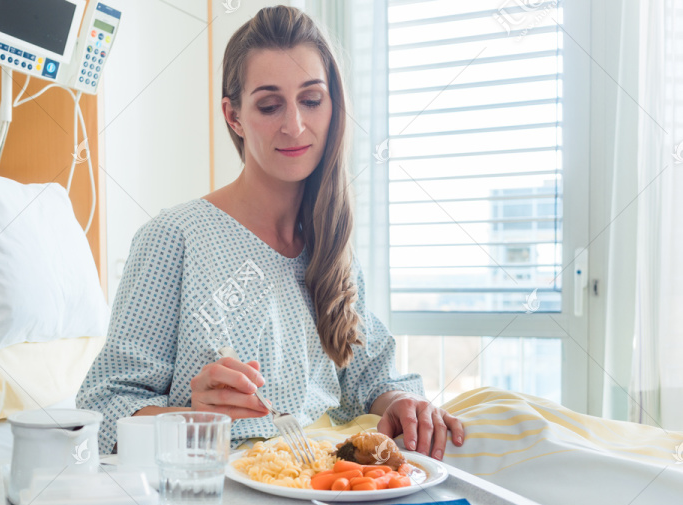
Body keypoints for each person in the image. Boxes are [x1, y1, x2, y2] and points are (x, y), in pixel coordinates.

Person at [77, 5, 464, 459]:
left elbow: (369, 376)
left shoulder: (331, 248)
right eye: (269, 104)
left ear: (332, 106)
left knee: (512, 425)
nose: (295, 125)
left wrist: (402, 403)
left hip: (328, 477)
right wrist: (195, 418)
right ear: (234, 117)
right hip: (227, 482)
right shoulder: (173, 239)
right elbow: (102, 412)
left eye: (311, 99)